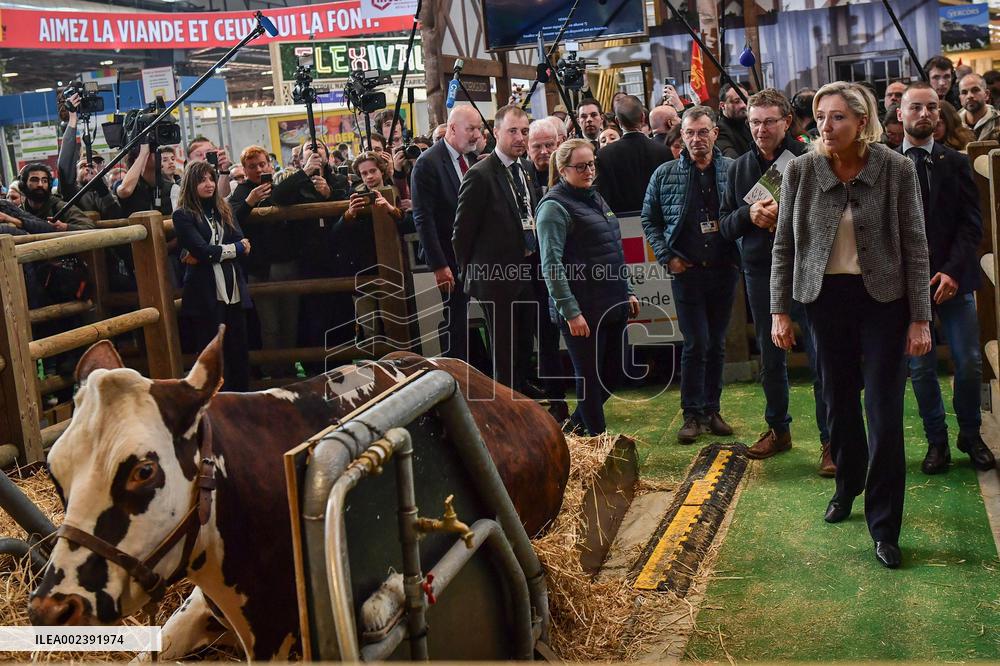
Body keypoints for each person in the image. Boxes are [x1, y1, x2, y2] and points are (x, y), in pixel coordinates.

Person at [770, 81, 931, 569]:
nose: (826, 126)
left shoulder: (895, 168)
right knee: (837, 404)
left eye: (837, 117)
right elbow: (783, 245)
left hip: (885, 301)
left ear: (863, 122)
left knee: (883, 413)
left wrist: (920, 318)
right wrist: (779, 310)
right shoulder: (799, 169)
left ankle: (885, 526)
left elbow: (917, 245)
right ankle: (847, 484)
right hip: (825, 301)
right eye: (820, 116)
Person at [718, 89, 831, 472]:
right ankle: (777, 430)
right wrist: (749, 216)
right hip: (760, 271)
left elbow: (831, 214)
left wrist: (785, 213)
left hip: (809, 267)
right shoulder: (735, 169)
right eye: (754, 122)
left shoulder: (810, 159)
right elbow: (724, 224)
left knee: (822, 356)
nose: (761, 129)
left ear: (786, 122)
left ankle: (830, 441)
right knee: (771, 357)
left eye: (769, 121)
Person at [897, 83, 995, 474]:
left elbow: (972, 226)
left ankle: (970, 434)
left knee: (969, 360)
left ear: (939, 114)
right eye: (916, 108)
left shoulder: (955, 162)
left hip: (953, 277)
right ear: (900, 114)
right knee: (920, 367)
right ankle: (935, 440)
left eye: (931, 108)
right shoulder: (887, 164)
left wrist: (953, 271)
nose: (924, 114)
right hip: (908, 284)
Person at [642, 106, 738, 443]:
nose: (697, 139)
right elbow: (649, 219)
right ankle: (691, 414)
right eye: (690, 133)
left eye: (703, 132)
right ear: (681, 136)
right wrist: (667, 257)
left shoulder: (732, 169)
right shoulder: (664, 174)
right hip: (687, 272)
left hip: (724, 270)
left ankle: (712, 410)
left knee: (717, 344)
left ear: (714, 133)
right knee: (696, 343)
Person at [538, 138, 640, 434]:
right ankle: (598, 441)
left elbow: (614, 249)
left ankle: (574, 428)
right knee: (590, 380)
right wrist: (570, 311)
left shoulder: (594, 196)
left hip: (612, 303)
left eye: (591, 164)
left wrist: (628, 290)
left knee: (615, 373)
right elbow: (551, 265)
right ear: (563, 169)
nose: (588, 171)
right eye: (580, 166)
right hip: (582, 310)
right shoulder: (553, 208)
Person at [454, 105, 543, 395]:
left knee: (524, 342)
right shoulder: (480, 174)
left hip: (526, 269)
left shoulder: (526, 168)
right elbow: (462, 232)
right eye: (513, 131)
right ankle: (504, 405)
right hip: (494, 278)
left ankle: (521, 392)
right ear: (496, 133)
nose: (520, 137)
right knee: (503, 350)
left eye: (525, 131)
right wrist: (472, 274)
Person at [411, 105, 482, 361]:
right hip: (448, 257)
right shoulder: (427, 163)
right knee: (456, 322)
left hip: (477, 254)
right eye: (471, 129)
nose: (476, 135)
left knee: (485, 319)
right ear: (452, 129)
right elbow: (423, 218)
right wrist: (439, 265)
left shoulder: (472, 158)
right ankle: (457, 379)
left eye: (479, 129)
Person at [173, 161, 252, 392]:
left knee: (238, 349)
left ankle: (243, 398)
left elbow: (244, 243)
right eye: (202, 180)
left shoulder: (224, 208)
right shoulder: (183, 215)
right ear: (191, 184)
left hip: (233, 288)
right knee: (209, 351)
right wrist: (232, 249)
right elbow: (203, 251)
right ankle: (212, 402)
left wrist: (220, 252)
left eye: (211, 179)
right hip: (204, 292)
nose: (208, 184)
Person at [228, 145, 302, 378]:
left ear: (270, 164)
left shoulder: (278, 188)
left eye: (262, 164)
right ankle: (273, 369)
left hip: (285, 261)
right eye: (252, 167)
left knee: (291, 320)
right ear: (244, 169)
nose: (259, 170)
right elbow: (231, 221)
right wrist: (250, 202)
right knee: (269, 324)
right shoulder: (241, 192)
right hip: (259, 267)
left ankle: (288, 367)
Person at [596, 94, 673, 215]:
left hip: (621, 223)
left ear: (617, 121)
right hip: (658, 220)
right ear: (643, 117)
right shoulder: (663, 151)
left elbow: (603, 198)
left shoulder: (604, 155)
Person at [19, 163, 94, 231]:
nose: (40, 184)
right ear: (23, 184)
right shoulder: (20, 211)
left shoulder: (60, 207)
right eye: (35, 180)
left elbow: (89, 226)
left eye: (44, 181)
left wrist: (65, 227)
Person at [115, 143, 174, 218]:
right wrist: (143, 153)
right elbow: (125, 190)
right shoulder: (122, 184)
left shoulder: (170, 187)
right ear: (136, 159)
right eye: (152, 151)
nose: (156, 154)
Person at [957, 73, 1000, 142]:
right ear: (960, 98)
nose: (969, 96)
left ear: (986, 94)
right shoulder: (953, 125)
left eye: (975, 90)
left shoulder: (998, 121)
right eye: (964, 92)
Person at [716, 84, 752, 158]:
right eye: (737, 101)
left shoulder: (750, 124)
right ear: (722, 105)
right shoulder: (719, 131)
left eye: (745, 99)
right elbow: (731, 158)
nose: (743, 105)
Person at [527, 119, 558, 189]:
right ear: (527, 149)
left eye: (548, 145)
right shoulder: (521, 175)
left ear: (557, 145)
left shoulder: (568, 174)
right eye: (537, 146)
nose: (544, 151)